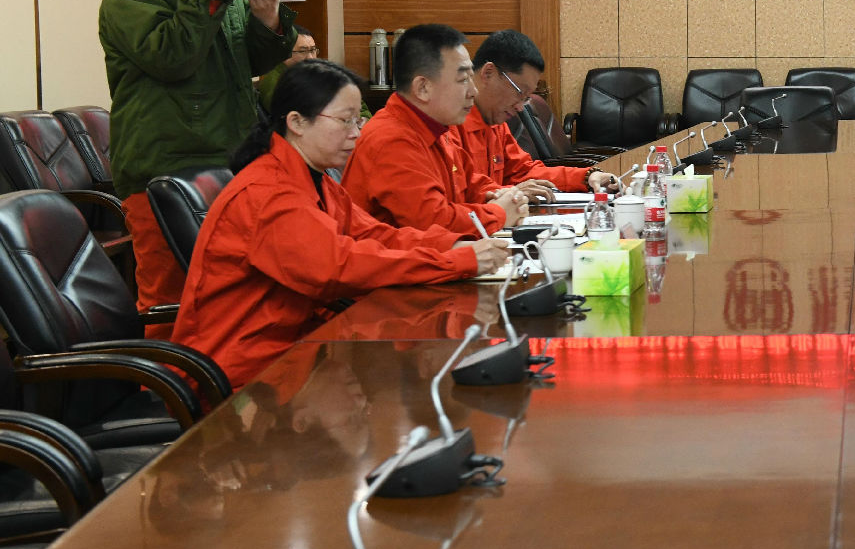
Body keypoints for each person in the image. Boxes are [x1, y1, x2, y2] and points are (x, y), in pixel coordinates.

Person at [172, 60, 510, 386]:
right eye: (345, 121)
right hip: (246, 372)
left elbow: (375, 234)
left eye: (357, 121)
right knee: (410, 378)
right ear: (297, 122)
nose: (356, 134)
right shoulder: (269, 191)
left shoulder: (315, 178)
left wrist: (452, 246)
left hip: (301, 348)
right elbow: (338, 266)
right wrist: (454, 261)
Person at [98, 0, 299, 312]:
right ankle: (163, 363)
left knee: (233, 291)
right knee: (171, 298)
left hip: (227, 154)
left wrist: (269, 21)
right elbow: (171, 58)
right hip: (164, 163)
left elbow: (249, 61)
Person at [342, 24, 531, 234]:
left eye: (472, 78)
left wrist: (504, 196)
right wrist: (499, 213)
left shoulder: (436, 128)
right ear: (423, 88)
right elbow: (436, 222)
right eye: (463, 80)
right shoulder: (391, 140)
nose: (473, 91)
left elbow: (471, 185)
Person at [455, 30, 618, 199]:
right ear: (488, 73)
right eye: (519, 92)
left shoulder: (495, 123)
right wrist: (508, 193)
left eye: (526, 98)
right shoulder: (449, 126)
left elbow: (523, 172)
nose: (520, 108)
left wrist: (586, 177)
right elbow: (457, 196)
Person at [255, 25, 319, 111]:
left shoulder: (298, 74)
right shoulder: (277, 82)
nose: (310, 58)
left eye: (313, 50)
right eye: (302, 51)